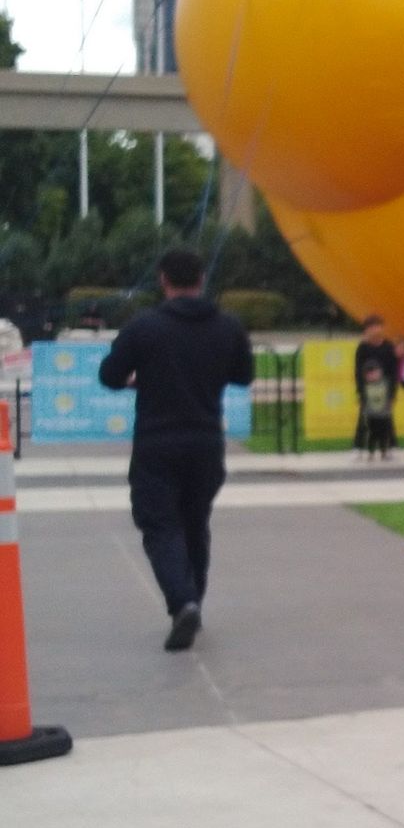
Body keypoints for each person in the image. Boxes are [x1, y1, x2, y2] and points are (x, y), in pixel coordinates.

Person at [97, 248, 253, 651]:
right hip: (205, 442)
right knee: (195, 523)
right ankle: (193, 600)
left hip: (157, 442)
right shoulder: (227, 326)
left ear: (163, 280)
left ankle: (182, 602)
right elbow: (243, 374)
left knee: (160, 525)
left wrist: (139, 380)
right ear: (202, 280)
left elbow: (110, 375)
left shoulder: (144, 327)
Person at [353, 315, 399, 458]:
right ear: (366, 330)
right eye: (370, 327)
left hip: (384, 389)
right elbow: (358, 372)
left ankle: (389, 447)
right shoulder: (363, 348)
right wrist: (360, 392)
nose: (374, 330)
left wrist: (392, 394)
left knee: (386, 419)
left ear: (382, 328)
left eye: (377, 326)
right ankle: (358, 448)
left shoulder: (388, 347)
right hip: (368, 389)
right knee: (364, 419)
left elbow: (394, 372)